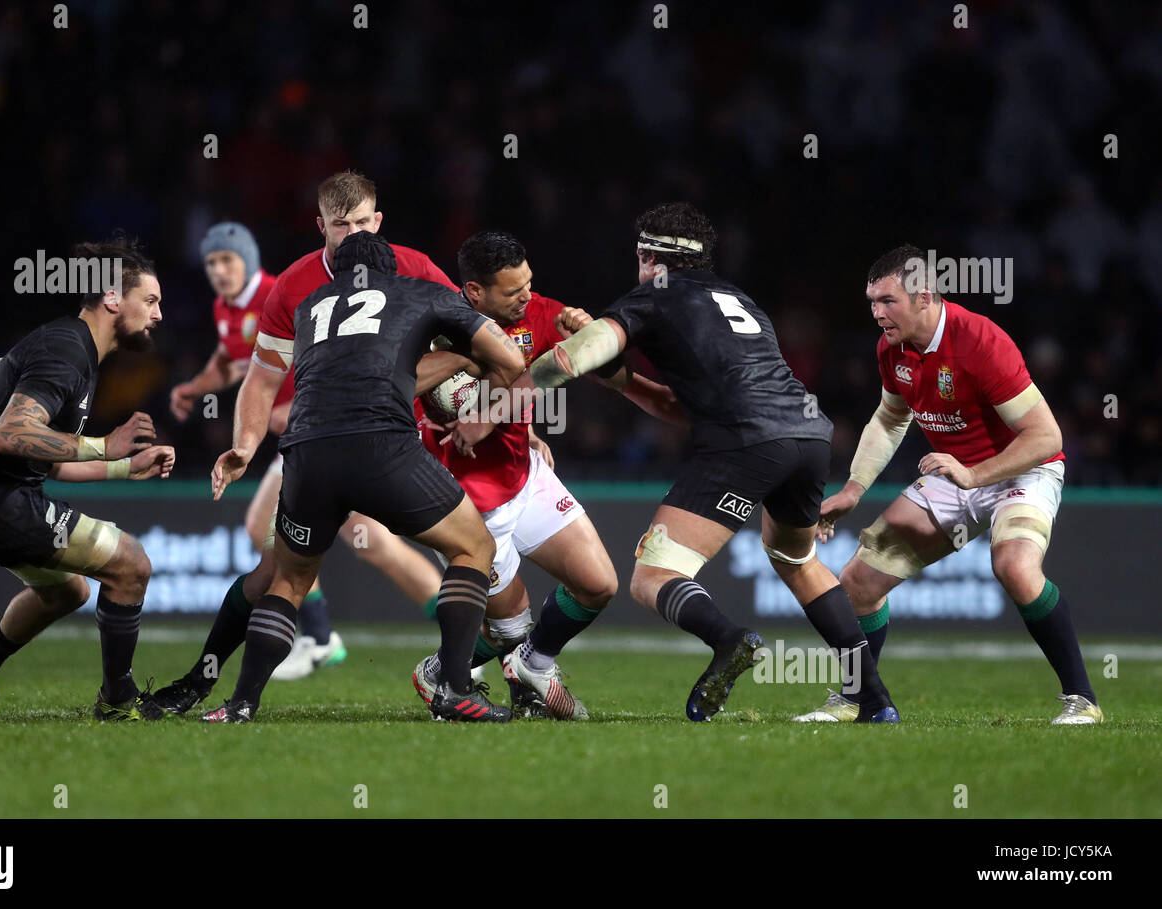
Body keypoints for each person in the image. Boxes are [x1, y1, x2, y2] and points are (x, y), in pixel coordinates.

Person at [515, 202, 899, 723]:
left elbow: (570, 357)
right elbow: (679, 406)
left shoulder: (652, 293)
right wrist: (618, 377)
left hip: (746, 442)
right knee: (797, 562)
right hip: (809, 436)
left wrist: (500, 400)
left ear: (649, 257)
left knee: (652, 577)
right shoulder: (739, 300)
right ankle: (874, 702)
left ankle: (728, 641)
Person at [151, 175, 456, 713]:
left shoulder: (415, 267)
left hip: (387, 439)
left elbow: (468, 336)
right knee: (337, 552)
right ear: (321, 227)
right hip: (319, 441)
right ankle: (462, 654)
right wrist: (244, 444)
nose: (354, 234)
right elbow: (259, 378)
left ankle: (285, 661)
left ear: (379, 221)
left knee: (382, 545)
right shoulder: (291, 286)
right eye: (342, 225)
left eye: (363, 222)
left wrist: (480, 413)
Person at [203, 231, 528, 722]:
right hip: (382, 446)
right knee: (473, 547)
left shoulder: (309, 306)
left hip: (307, 450)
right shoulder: (418, 291)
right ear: (391, 269)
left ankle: (241, 704)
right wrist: (470, 368)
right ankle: (455, 690)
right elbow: (510, 357)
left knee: (288, 578)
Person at [800, 244, 1101, 725]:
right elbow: (888, 418)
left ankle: (1081, 699)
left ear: (924, 296)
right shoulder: (891, 348)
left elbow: (1046, 437)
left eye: (887, 302)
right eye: (872, 303)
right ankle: (861, 700)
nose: (877, 314)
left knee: (1015, 566)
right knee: (858, 580)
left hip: (1021, 469)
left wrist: (975, 475)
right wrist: (854, 490)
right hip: (955, 470)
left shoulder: (980, 340)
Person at [411, 230, 681, 720]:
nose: (526, 297)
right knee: (509, 629)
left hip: (524, 475)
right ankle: (450, 674)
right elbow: (402, 381)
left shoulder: (538, 314)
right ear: (475, 293)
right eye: (513, 292)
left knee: (599, 584)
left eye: (529, 283)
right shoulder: (435, 325)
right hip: (467, 503)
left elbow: (601, 363)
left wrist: (588, 333)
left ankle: (529, 672)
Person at [0, 236, 176, 721]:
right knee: (130, 564)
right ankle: (118, 701)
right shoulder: (66, 350)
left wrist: (125, 467)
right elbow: (13, 434)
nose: (158, 315)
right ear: (112, 297)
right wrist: (107, 445)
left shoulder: (77, 351)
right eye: (149, 300)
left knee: (69, 590)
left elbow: (55, 460)